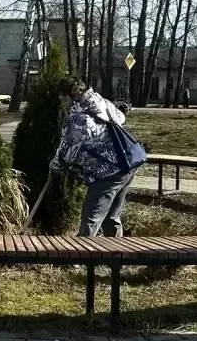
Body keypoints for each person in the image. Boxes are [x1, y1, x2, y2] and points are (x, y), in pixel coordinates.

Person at [51, 78, 137, 237]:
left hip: (106, 172)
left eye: (64, 100)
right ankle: (116, 252)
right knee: (111, 218)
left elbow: (67, 153)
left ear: (74, 95)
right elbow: (121, 117)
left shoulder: (80, 118)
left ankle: (82, 252)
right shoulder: (102, 102)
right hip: (126, 165)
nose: (63, 104)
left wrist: (55, 166)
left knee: (91, 219)